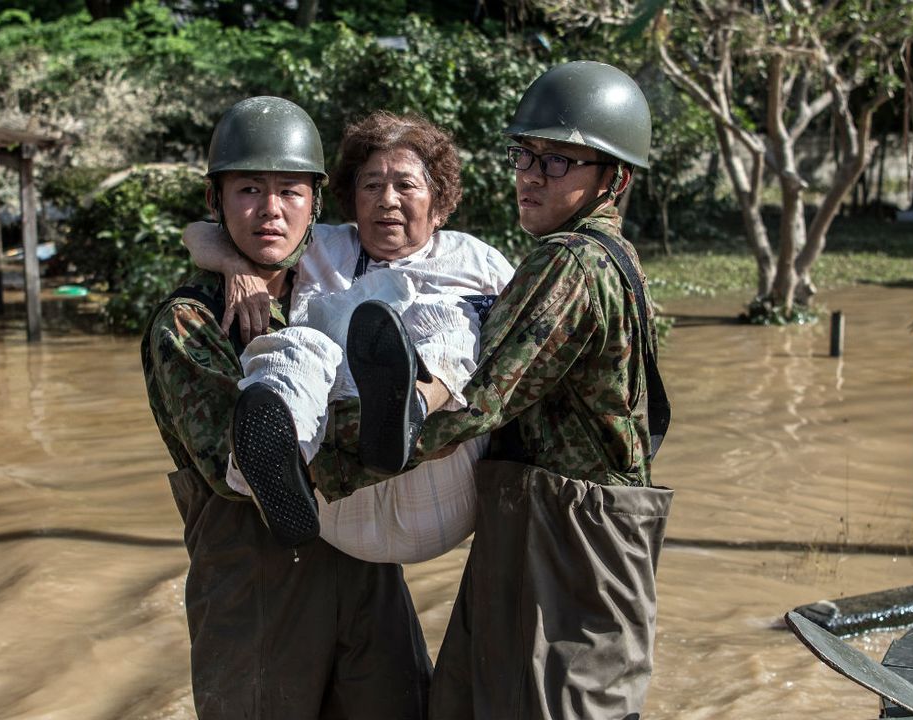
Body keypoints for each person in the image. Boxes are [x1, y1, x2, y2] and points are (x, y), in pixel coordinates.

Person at [337, 61, 675, 719]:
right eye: (525, 153)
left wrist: (334, 459)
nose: (529, 174)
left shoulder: (569, 260)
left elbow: (482, 402)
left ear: (616, 178)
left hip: (569, 544)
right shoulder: (615, 255)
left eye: (558, 161)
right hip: (545, 528)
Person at [140, 96, 432, 720]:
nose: (271, 210)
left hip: (365, 567)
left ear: (317, 204)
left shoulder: (342, 280)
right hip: (257, 587)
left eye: (290, 191)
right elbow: (244, 465)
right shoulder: (191, 324)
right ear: (216, 202)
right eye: (248, 189)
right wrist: (414, 426)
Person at [184, 111, 514, 563]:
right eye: (372, 186)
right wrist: (239, 270)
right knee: (299, 344)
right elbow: (203, 232)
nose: (387, 200)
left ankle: (411, 405)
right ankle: (276, 469)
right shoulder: (321, 245)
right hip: (338, 508)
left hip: (438, 482)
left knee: (449, 321)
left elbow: (521, 357)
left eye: (405, 185)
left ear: (440, 205)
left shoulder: (476, 261)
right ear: (351, 199)